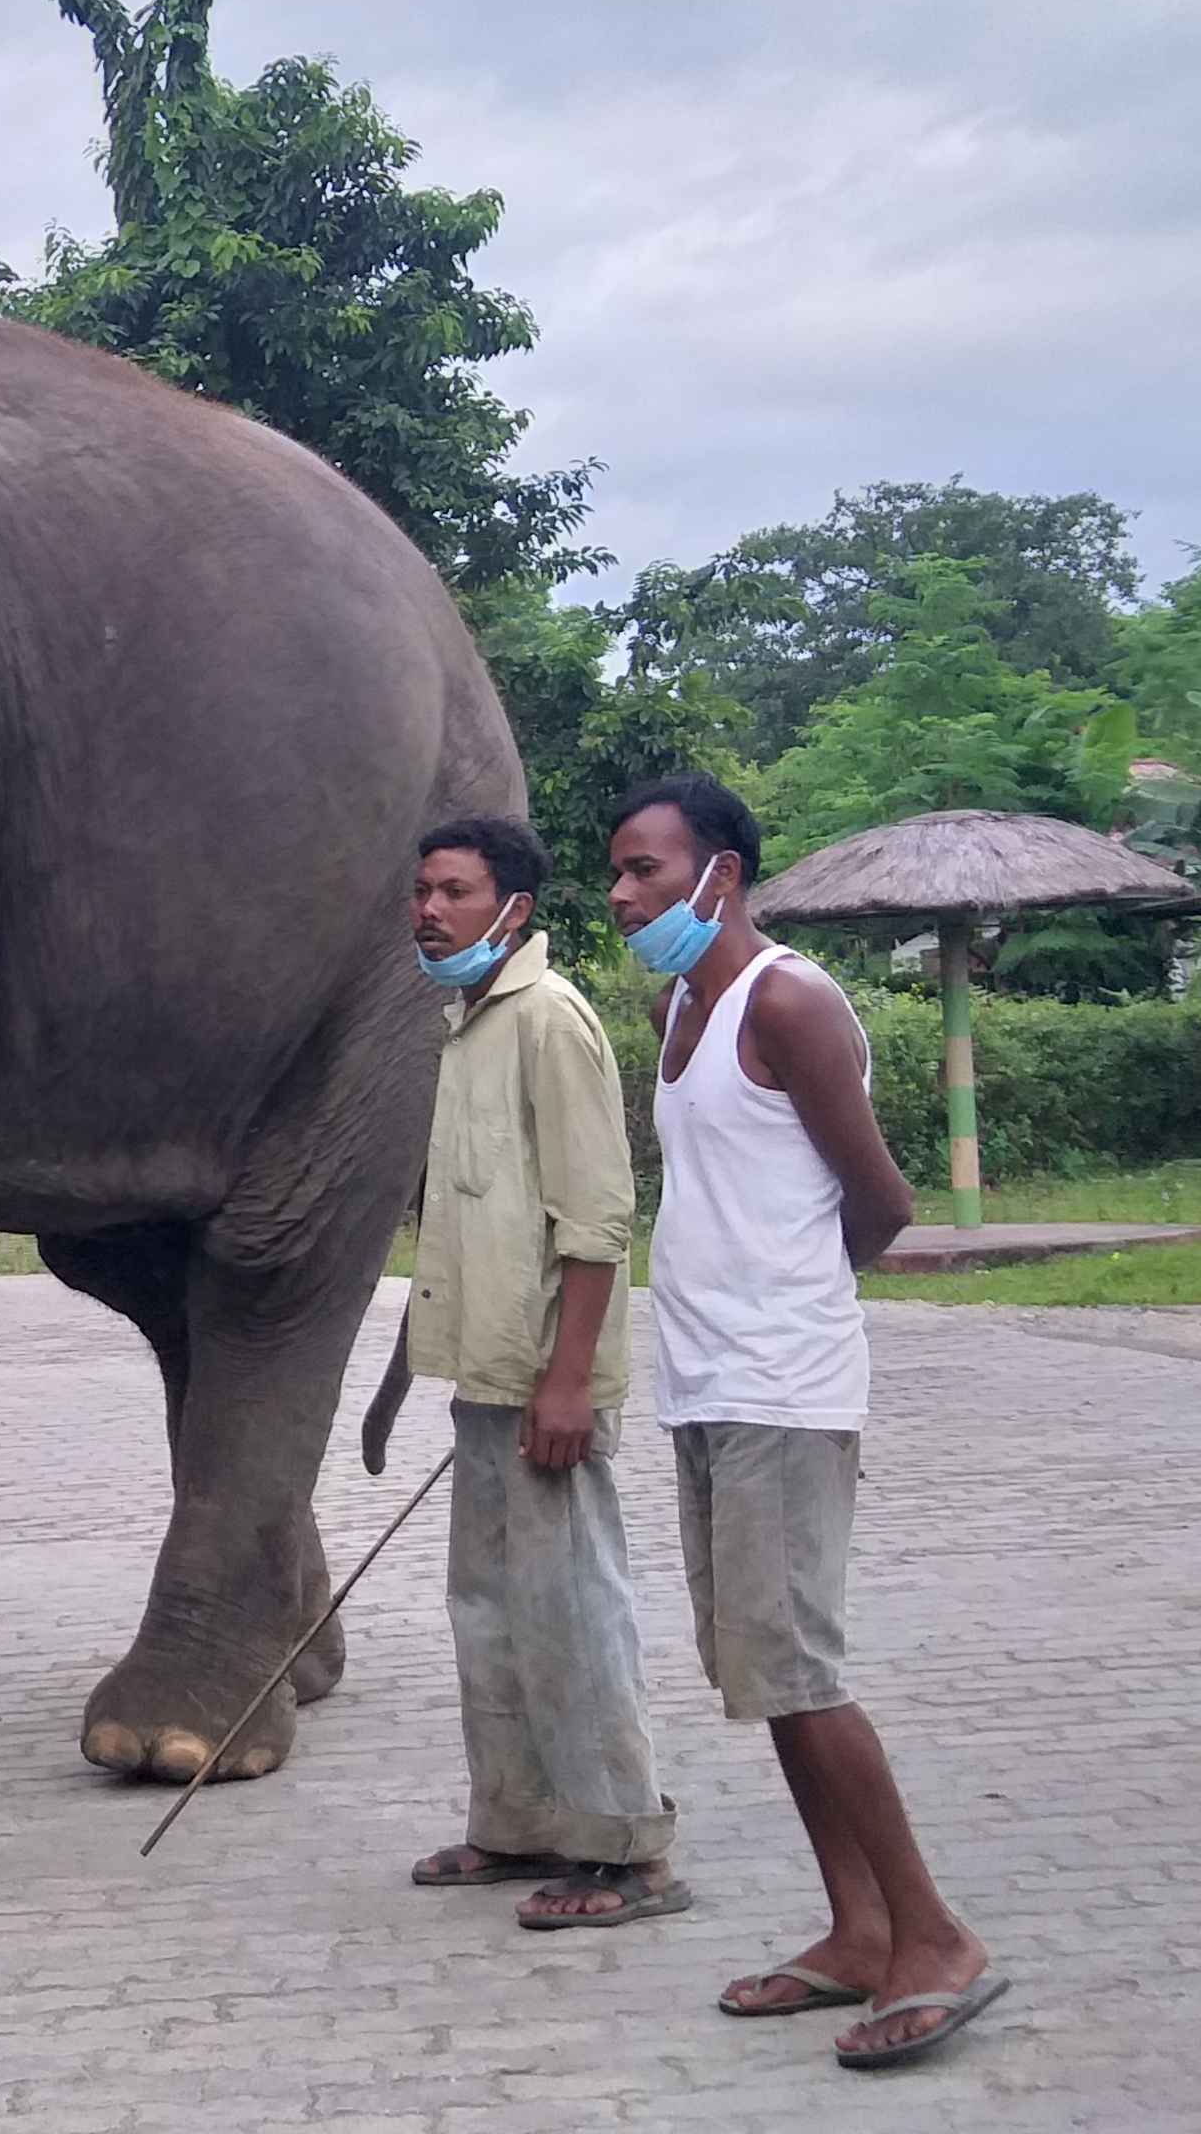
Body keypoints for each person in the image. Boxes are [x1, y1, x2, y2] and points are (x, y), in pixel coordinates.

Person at [604, 773, 1008, 2072]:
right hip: (706, 1383)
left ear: (719, 874)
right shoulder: (677, 1007)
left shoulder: (790, 998)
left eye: (645, 871)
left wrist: (790, 1292)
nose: (623, 895)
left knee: (803, 1670)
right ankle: (857, 1931)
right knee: (763, 1675)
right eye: (616, 872)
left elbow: (880, 1200)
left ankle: (935, 1934)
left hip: (783, 1383)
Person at [399, 816, 690, 1930]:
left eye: (455, 891)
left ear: (512, 909)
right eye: (422, 890)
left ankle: (627, 1848)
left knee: (571, 1606)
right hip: (482, 1369)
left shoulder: (550, 1021)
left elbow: (598, 1217)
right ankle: (517, 1822)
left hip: (545, 1382)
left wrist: (568, 1380)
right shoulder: (467, 1021)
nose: (430, 910)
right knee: (488, 1605)